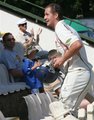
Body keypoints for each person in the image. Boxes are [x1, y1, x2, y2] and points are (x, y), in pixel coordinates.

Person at [44, 3, 92, 118]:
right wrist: (59, 60)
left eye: (47, 14)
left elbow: (77, 45)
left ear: (56, 15)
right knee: (69, 111)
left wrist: (61, 59)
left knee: (62, 110)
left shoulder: (60, 27)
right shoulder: (64, 27)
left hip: (78, 72)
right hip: (80, 72)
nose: (44, 17)